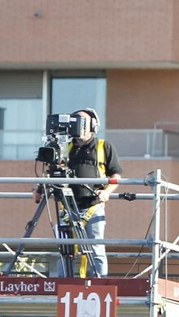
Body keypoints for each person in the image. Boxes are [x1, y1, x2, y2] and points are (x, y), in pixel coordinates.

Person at [32, 107, 123, 278]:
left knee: (96, 247)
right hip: (66, 207)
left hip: (93, 205)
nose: (78, 127)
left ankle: (99, 283)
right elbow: (52, 171)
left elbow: (116, 174)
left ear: (93, 126)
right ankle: (63, 282)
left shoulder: (104, 146)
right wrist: (39, 190)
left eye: (82, 122)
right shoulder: (65, 148)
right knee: (65, 247)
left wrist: (107, 192)